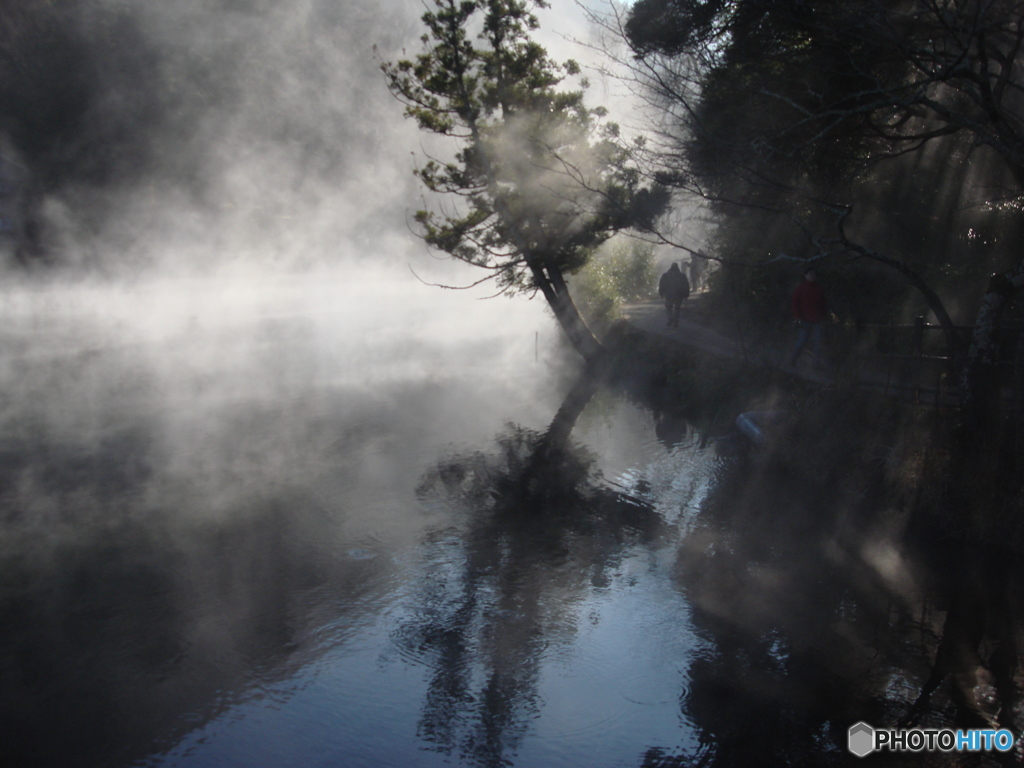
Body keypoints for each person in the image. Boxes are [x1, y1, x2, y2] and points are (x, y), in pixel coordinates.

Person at [789, 267, 827, 368]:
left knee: (817, 344)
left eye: (814, 274)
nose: (812, 276)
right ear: (806, 276)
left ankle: (815, 364)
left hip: (817, 320)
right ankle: (793, 360)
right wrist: (797, 317)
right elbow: (795, 304)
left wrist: (823, 317)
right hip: (804, 320)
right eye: (810, 274)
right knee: (801, 342)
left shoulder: (819, 289)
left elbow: (823, 304)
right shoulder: (800, 289)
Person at [659, 262, 690, 328]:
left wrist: (661, 293)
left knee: (668, 307)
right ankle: (676, 322)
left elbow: (662, 285)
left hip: (669, 294)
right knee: (677, 308)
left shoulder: (665, 275)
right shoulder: (682, 275)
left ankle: (670, 317)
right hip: (679, 295)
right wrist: (686, 295)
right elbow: (686, 285)